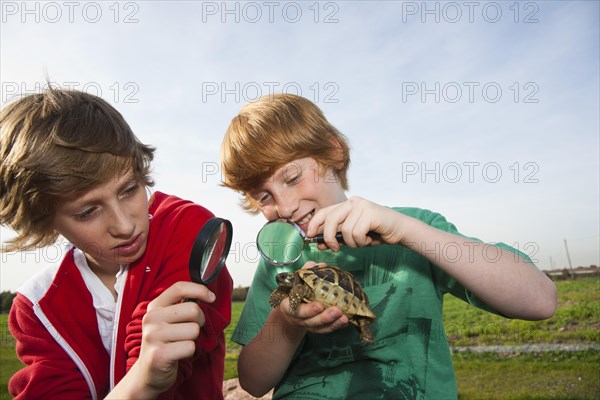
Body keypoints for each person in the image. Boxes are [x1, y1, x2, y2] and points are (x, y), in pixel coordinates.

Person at [220, 93, 557, 399]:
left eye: (292, 178)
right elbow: (253, 382)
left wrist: (408, 231)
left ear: (334, 152)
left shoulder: (414, 228)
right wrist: (287, 322)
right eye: (264, 196)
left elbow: (540, 301)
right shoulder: (281, 261)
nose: (285, 205)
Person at [0, 88, 233, 399]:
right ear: (44, 219)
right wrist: (141, 384)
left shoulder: (186, 228)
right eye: (88, 211)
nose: (125, 226)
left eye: (129, 189)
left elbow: (170, 357)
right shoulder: (36, 307)